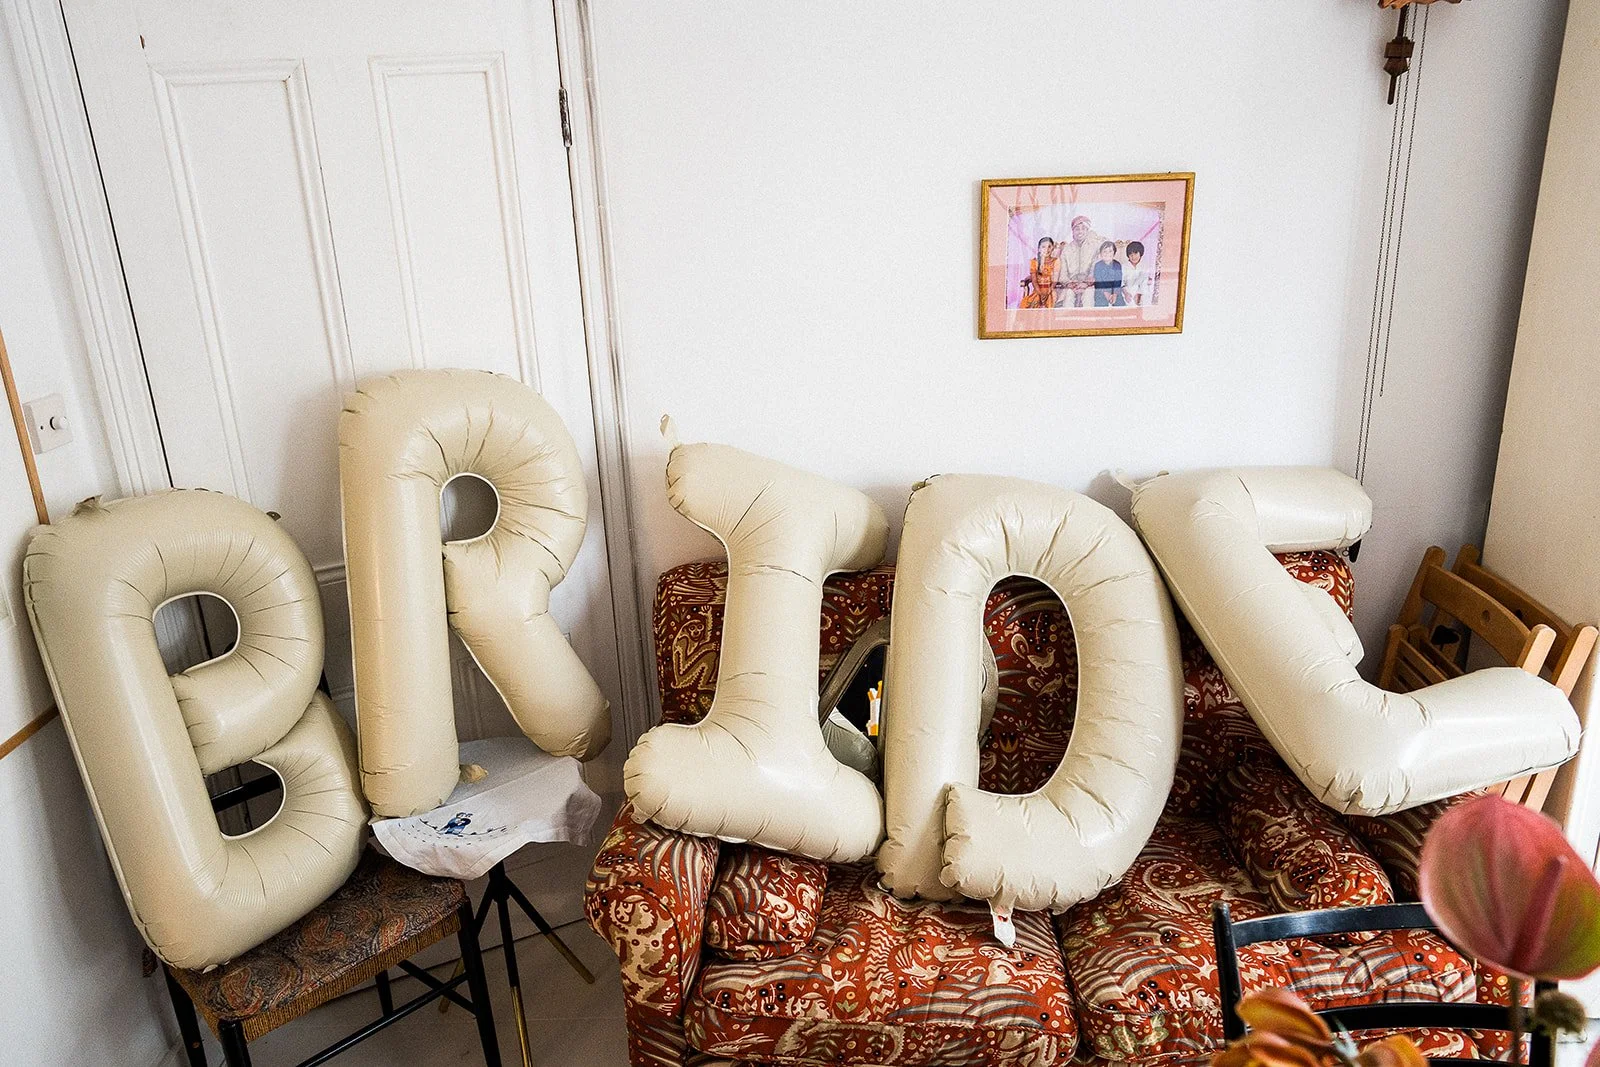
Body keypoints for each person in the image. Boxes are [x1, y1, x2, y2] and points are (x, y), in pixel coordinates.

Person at [1058, 215, 1107, 308]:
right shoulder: (1066, 250)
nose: (1080, 231)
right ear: (1072, 231)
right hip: (1071, 285)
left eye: (1083, 228)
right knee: (1068, 296)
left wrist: (1086, 283)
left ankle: (1087, 322)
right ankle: (1068, 322)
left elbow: (1095, 269)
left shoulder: (1094, 247)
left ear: (1087, 231)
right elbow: (1063, 274)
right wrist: (1070, 284)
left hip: (1088, 285)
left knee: (1088, 295)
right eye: (1077, 229)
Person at [1019, 236, 1062, 309]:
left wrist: (1049, 291)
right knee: (1032, 304)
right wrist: (1039, 293)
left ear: (1052, 248)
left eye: (1049, 247)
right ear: (1039, 249)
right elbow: (1034, 280)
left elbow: (1055, 279)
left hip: (1051, 290)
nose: (1047, 249)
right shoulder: (1034, 262)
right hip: (1038, 290)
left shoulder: (1056, 261)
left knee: (1051, 302)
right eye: (1043, 247)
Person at [1092, 241, 1124, 306]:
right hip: (1101, 291)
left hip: (1115, 291)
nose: (1107, 254)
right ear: (1101, 253)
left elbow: (1118, 281)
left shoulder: (1117, 265)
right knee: (1101, 307)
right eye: (1105, 251)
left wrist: (1114, 294)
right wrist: (1106, 293)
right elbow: (1098, 282)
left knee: (1120, 306)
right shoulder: (1097, 265)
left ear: (1114, 253)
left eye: (1110, 251)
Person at [1122, 240, 1153, 307]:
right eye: (1131, 255)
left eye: (1136, 253)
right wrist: (1126, 293)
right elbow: (1121, 283)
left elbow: (1145, 283)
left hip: (1142, 293)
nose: (1133, 257)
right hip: (1128, 293)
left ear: (1140, 253)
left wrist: (1139, 295)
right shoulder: (1124, 266)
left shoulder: (1145, 266)